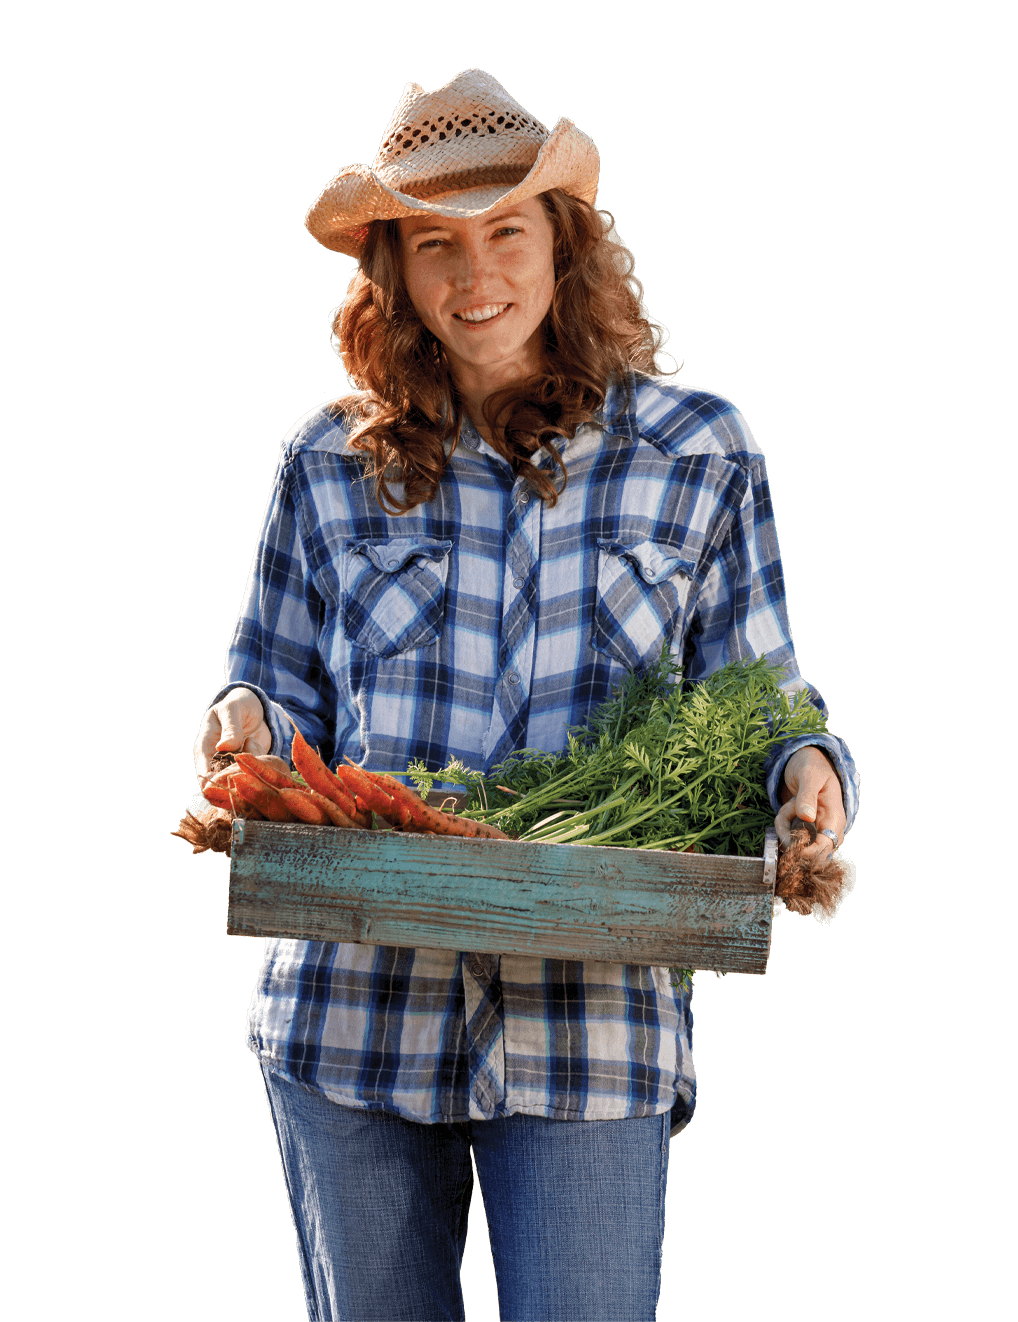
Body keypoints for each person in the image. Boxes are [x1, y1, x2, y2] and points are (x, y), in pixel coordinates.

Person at [193, 69, 859, 1322]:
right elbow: (270, 689)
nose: (473, 272)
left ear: (565, 245)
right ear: (391, 268)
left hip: (591, 1025)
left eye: (506, 230)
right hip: (350, 1015)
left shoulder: (697, 448)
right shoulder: (322, 462)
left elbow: (764, 699)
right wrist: (242, 733)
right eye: (432, 243)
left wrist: (805, 775)